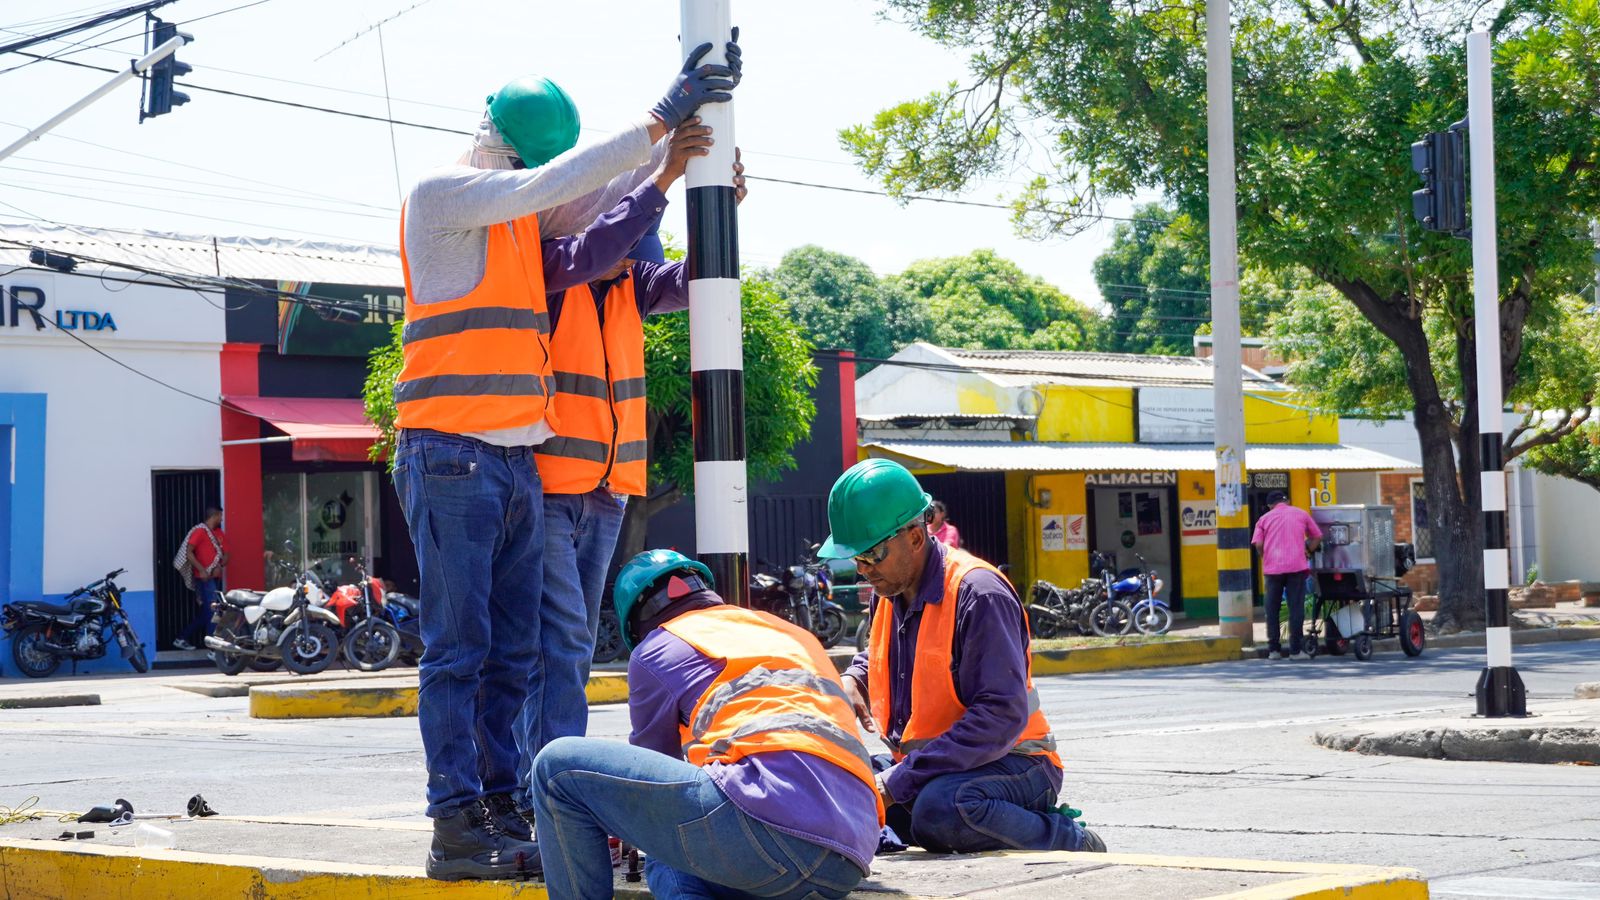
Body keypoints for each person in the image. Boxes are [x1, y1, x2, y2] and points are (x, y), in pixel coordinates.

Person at [393, 36, 742, 882]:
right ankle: (457, 822)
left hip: (515, 460)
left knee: (515, 654)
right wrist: (660, 126)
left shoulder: (523, 229)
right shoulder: (447, 196)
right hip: (451, 453)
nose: (550, 184)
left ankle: (509, 806)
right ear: (501, 149)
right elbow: (567, 199)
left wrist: (691, 176)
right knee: (461, 649)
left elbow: (590, 214)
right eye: (535, 167)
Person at [513, 141, 748, 819]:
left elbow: (695, 276)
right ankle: (557, 802)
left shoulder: (628, 285)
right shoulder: (552, 274)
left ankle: (547, 791)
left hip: (605, 493)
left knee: (568, 649)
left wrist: (720, 209)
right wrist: (666, 173)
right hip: (552, 489)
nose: (634, 256)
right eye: (625, 241)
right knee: (558, 649)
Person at [529, 549, 882, 900]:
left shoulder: (657, 647)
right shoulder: (792, 633)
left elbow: (652, 781)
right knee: (670, 859)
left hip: (772, 832)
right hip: (847, 856)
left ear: (638, 623)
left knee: (555, 769)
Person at [819, 458, 1104, 855]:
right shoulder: (890, 588)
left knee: (941, 813)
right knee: (837, 784)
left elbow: (999, 716)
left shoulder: (979, 593)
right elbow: (882, 653)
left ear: (916, 538)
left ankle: (1067, 838)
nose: (863, 569)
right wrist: (855, 679)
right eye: (857, 559)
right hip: (936, 764)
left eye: (872, 555)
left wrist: (897, 784)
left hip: (1014, 762)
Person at [1252, 490, 1324, 660]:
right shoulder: (1301, 514)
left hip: (1272, 569)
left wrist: (1266, 557)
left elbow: (1259, 544)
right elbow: (1317, 536)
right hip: (1296, 567)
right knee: (1296, 608)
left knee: (1272, 609)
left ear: (1270, 505)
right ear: (1288, 501)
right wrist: (1307, 551)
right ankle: (1295, 651)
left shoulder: (1264, 519)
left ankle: (1274, 650)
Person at [172, 506, 227, 651]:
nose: (222, 519)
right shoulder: (199, 531)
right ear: (214, 515)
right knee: (214, 611)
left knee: (207, 613)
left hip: (214, 578)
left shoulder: (218, 533)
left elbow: (226, 555)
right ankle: (213, 650)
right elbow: (189, 553)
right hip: (204, 578)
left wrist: (219, 566)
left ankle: (181, 638)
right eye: (220, 516)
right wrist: (202, 570)